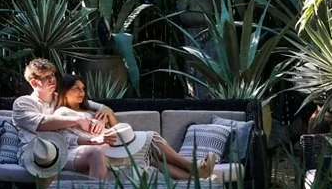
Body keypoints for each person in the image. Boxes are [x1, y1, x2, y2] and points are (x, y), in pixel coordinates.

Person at [55, 75, 219, 182]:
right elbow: (66, 138)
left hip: (115, 146)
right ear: (64, 91)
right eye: (76, 88)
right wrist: (93, 138)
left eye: (83, 88)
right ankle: (192, 167)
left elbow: (116, 127)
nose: (81, 92)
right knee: (152, 137)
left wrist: (106, 111)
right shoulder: (62, 112)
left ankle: (195, 181)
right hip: (98, 150)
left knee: (153, 159)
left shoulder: (90, 110)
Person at [12, 59, 111, 182]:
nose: (52, 80)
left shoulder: (61, 98)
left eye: (52, 75)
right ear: (34, 82)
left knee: (96, 153)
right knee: (48, 156)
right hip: (34, 150)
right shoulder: (23, 103)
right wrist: (77, 120)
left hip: (65, 148)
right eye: (46, 77)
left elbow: (91, 105)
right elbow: (42, 123)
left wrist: (103, 114)